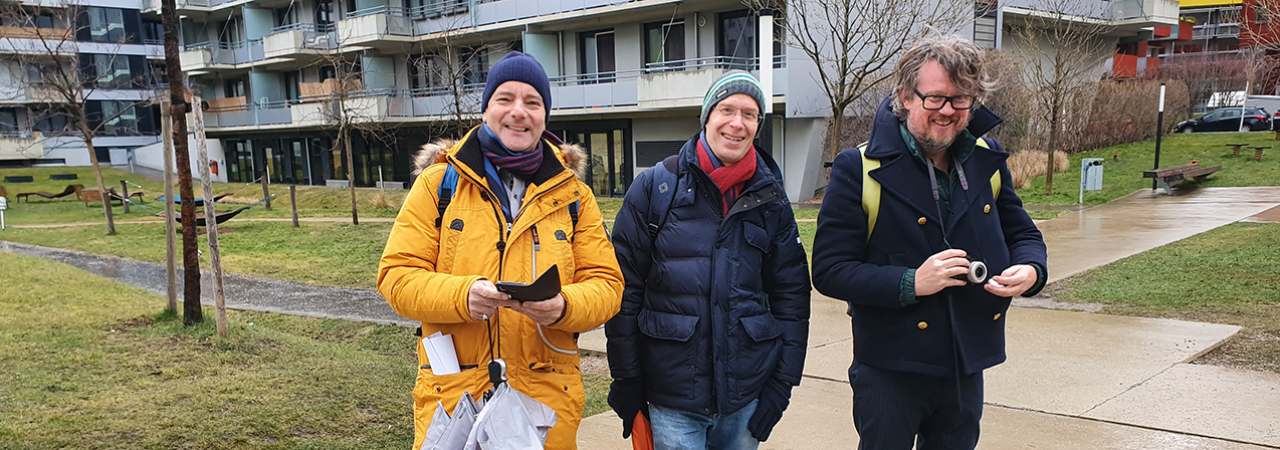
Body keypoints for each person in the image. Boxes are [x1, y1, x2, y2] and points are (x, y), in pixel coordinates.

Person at [378, 51, 624, 450]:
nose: (519, 112)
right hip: (456, 401)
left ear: (545, 116)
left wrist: (563, 306)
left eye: (532, 102)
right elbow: (396, 278)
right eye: (505, 99)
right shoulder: (439, 185)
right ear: (486, 108)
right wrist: (463, 296)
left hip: (545, 401)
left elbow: (608, 286)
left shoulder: (575, 197)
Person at [811, 36, 1048, 450]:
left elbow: (1024, 234)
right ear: (904, 96)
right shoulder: (860, 167)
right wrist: (911, 282)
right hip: (890, 368)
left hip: (964, 364)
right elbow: (830, 271)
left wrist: (1030, 269)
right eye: (936, 98)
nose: (949, 112)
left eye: (961, 100)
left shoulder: (986, 157)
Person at [605, 70, 811, 450]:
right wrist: (627, 379)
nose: (737, 122)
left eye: (749, 114)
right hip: (671, 398)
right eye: (727, 110)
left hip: (745, 398)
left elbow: (792, 297)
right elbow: (624, 291)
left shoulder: (772, 200)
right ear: (707, 117)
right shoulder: (654, 188)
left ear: (758, 125)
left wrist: (783, 383)